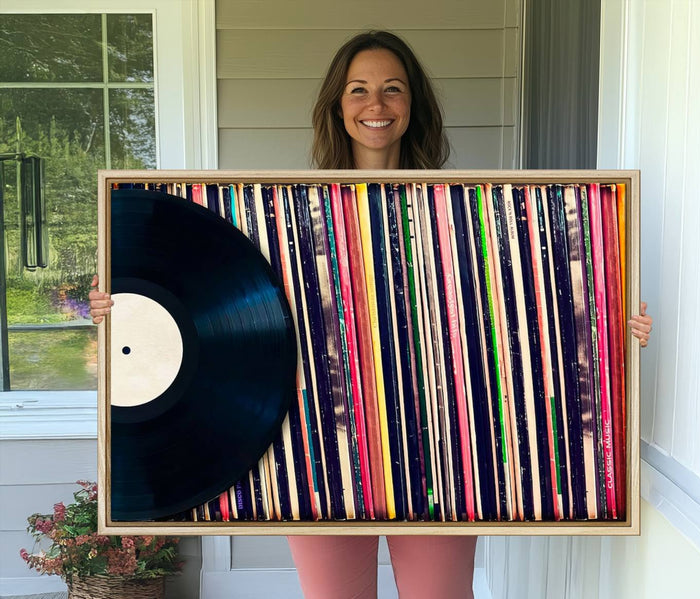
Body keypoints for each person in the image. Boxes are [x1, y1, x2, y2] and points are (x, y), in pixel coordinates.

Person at [89, 30, 653, 599]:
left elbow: (533, 307)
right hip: (315, 449)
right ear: (338, 105)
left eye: (392, 89)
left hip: (444, 455)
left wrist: (610, 321)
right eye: (359, 90)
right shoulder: (282, 217)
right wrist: (123, 307)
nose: (376, 105)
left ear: (413, 106)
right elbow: (209, 304)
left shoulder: (467, 211)